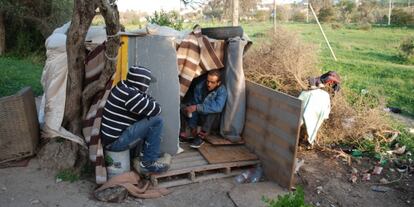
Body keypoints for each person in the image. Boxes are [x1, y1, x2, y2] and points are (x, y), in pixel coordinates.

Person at [100, 65, 169, 174]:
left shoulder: (123, 86)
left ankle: (149, 152)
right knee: (157, 120)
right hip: (115, 143)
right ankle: (148, 163)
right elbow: (157, 109)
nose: (148, 87)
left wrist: (146, 99)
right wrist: (148, 101)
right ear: (142, 83)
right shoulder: (131, 95)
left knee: (146, 115)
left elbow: (147, 101)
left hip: (111, 139)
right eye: (147, 83)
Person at [180, 69, 228, 148]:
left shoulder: (222, 91)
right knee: (184, 106)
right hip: (200, 116)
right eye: (208, 81)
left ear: (218, 83)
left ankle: (201, 136)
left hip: (211, 121)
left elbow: (218, 107)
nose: (209, 84)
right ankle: (189, 132)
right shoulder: (199, 87)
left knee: (213, 111)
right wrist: (193, 125)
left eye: (212, 82)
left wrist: (197, 107)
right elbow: (194, 104)